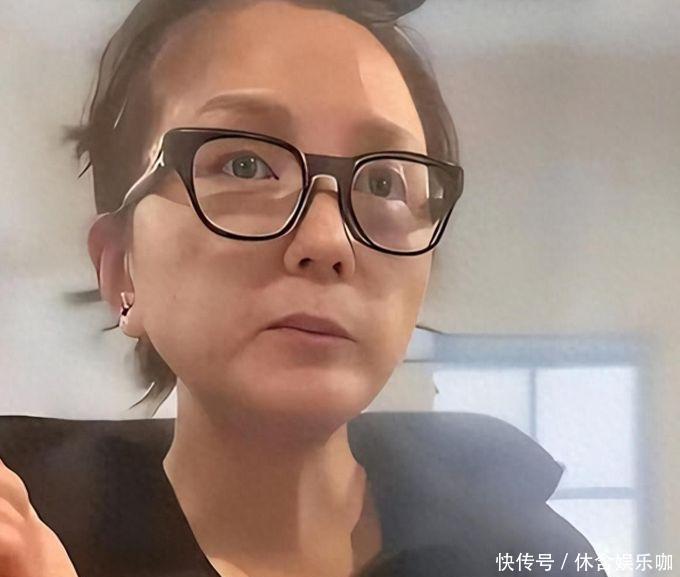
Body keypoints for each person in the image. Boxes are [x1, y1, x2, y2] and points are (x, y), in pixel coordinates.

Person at [0, 1, 607, 576]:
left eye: (384, 184)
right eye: (244, 165)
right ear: (121, 269)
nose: (328, 241)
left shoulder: (532, 554)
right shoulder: (24, 535)